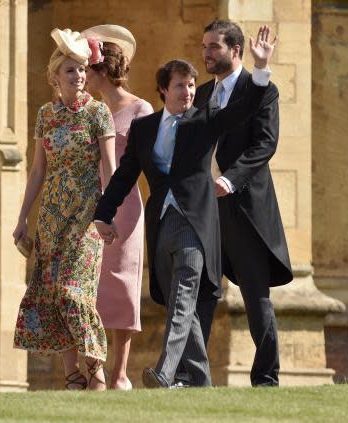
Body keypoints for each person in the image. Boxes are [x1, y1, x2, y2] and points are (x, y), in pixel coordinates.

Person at [94, 26, 277, 388]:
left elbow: (244, 110)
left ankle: (165, 371)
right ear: (164, 90)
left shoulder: (204, 120)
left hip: (195, 222)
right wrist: (102, 214)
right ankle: (199, 381)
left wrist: (260, 70)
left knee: (183, 296)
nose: (189, 92)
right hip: (161, 223)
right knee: (184, 302)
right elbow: (125, 175)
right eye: (180, 86)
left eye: (192, 86)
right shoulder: (145, 128)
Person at [13, 28, 116, 391]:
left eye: (83, 70)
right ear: (55, 75)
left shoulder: (99, 113)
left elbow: (109, 168)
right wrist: (23, 217)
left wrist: (108, 213)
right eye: (71, 70)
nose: (79, 76)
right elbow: (38, 169)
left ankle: (96, 369)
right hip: (52, 217)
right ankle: (72, 376)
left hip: (87, 217)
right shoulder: (46, 115)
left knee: (75, 291)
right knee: (55, 292)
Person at [192, 20, 294, 387]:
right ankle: (191, 376)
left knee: (255, 295)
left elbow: (264, 145)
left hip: (246, 209)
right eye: (204, 46)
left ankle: (266, 378)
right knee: (201, 290)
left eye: (214, 46)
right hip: (205, 209)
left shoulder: (262, 90)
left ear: (236, 50)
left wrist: (229, 180)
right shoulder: (201, 94)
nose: (206, 53)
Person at [81, 24, 154, 390]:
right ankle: (94, 371)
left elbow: (151, 161)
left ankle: (120, 373)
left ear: (100, 71)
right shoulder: (89, 110)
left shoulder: (141, 109)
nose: (82, 77)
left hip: (124, 206)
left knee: (122, 283)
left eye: (86, 70)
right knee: (87, 285)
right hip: (89, 205)